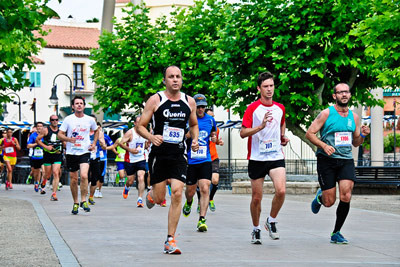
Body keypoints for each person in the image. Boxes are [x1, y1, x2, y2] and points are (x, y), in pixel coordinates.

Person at [137, 65, 199, 254]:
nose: (175, 80)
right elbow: (141, 126)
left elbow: (194, 124)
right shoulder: (156, 100)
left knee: (178, 193)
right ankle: (151, 195)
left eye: (178, 76)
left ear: (182, 79)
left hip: (179, 154)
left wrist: (195, 139)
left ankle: (170, 239)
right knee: (159, 198)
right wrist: (151, 137)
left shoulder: (189, 101)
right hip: (159, 155)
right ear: (164, 80)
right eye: (171, 77)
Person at [306, 83, 370, 244]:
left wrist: (362, 135)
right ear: (334, 96)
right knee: (329, 202)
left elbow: (356, 143)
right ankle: (320, 198)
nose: (344, 95)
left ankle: (336, 232)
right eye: (340, 92)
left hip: (346, 160)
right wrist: (324, 145)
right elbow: (309, 133)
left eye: (346, 92)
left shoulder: (354, 117)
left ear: (349, 95)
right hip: (326, 159)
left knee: (346, 195)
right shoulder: (326, 113)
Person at [240, 71, 289, 244]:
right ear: (259, 88)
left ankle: (271, 220)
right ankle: (256, 228)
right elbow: (243, 133)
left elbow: (282, 122)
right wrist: (260, 127)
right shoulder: (252, 109)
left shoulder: (280, 108)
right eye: (265, 86)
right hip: (257, 157)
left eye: (271, 86)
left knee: (281, 190)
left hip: (275, 155)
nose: (269, 90)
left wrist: (282, 137)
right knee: (256, 198)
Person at [58, 96, 99, 214]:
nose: (79, 105)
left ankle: (83, 200)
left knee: (85, 175)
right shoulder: (68, 119)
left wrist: (94, 143)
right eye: (77, 103)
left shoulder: (90, 119)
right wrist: (68, 139)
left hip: (84, 151)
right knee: (74, 179)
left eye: (81, 103)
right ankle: (76, 202)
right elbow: (60, 134)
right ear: (73, 106)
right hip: (71, 152)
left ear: (84, 106)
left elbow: (96, 130)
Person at [182, 94, 217, 232]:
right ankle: (189, 202)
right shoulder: (188, 120)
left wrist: (214, 138)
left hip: (205, 159)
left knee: (204, 188)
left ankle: (202, 219)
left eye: (203, 106)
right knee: (190, 191)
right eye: (198, 106)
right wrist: (187, 136)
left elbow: (213, 134)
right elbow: (181, 137)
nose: (201, 109)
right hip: (191, 160)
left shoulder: (211, 120)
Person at [120, 116, 148, 207]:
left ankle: (140, 199)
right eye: (138, 122)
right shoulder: (130, 133)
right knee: (130, 181)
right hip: (130, 159)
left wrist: (147, 145)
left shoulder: (145, 132)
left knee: (141, 177)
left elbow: (146, 144)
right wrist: (130, 150)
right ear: (135, 123)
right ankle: (127, 187)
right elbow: (121, 143)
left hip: (141, 158)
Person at [36, 115, 64, 201]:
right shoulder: (45, 130)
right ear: (50, 121)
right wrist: (46, 147)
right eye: (53, 120)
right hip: (48, 155)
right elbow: (37, 140)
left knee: (56, 173)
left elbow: (64, 140)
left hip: (57, 154)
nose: (55, 121)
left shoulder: (61, 131)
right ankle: (44, 181)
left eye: (56, 120)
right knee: (48, 175)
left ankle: (54, 194)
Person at [206, 109, 224, 212]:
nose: (212, 118)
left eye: (213, 116)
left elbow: (214, 141)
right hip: (202, 157)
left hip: (213, 157)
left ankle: (211, 199)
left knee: (215, 180)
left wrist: (219, 142)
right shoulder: (199, 126)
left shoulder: (216, 129)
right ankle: (200, 202)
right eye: (210, 116)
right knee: (203, 184)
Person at [106, 128, 128, 197]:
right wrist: (117, 153)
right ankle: (118, 176)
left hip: (128, 159)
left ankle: (126, 187)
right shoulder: (119, 140)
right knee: (122, 175)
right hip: (120, 159)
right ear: (124, 133)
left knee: (128, 175)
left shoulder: (130, 140)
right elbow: (113, 147)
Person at [27, 122, 45, 194]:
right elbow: (28, 146)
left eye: (41, 126)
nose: (40, 128)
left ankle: (42, 186)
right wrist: (36, 144)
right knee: (36, 172)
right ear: (36, 127)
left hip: (43, 156)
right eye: (38, 126)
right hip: (34, 156)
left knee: (44, 171)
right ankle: (36, 183)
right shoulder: (33, 135)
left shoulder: (44, 135)